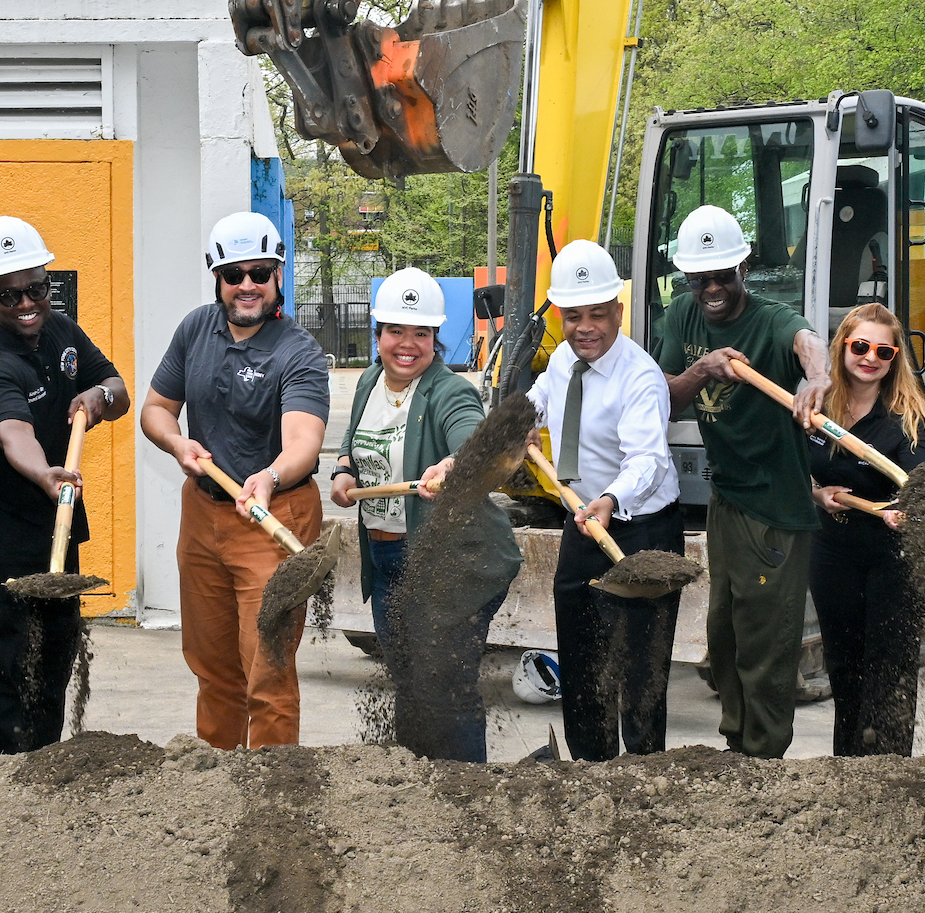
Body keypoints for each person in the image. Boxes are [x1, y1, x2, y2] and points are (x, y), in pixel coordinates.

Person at [141, 211, 330, 749]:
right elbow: (155, 409)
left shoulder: (298, 351)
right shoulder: (195, 329)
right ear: (216, 277)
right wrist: (176, 443)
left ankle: (271, 784)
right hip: (203, 515)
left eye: (260, 273)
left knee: (266, 669)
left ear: (278, 275)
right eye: (233, 274)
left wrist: (269, 476)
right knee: (212, 664)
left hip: (272, 515)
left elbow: (303, 441)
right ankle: (217, 775)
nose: (247, 285)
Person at [0, 215, 127, 754]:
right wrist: (45, 471)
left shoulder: (62, 330)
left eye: (36, 289)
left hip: (52, 520)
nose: (26, 303)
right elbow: (13, 432)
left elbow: (116, 387)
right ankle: (1, 772)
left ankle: (43, 763)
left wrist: (99, 397)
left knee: (53, 653)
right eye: (8, 294)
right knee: (5, 661)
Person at [653, 203, 828, 759]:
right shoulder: (682, 316)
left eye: (722, 276)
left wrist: (818, 377)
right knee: (725, 634)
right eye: (699, 279)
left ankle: (764, 755)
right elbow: (665, 400)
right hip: (726, 496)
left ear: (743, 269)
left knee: (766, 639)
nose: (711, 289)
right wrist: (703, 368)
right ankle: (737, 748)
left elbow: (807, 340)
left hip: (774, 506)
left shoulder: (771, 320)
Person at [328, 266, 520, 762]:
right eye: (396, 330)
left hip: (449, 565)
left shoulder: (448, 391)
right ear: (378, 334)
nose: (408, 344)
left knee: (445, 687)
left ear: (436, 338)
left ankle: (464, 788)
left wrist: (454, 464)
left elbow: (474, 439)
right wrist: (344, 470)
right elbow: (352, 439)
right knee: (410, 682)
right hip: (387, 561)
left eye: (421, 332)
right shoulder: (370, 380)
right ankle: (419, 783)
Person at [526, 240, 684, 761]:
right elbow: (542, 398)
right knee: (581, 657)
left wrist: (612, 499)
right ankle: (589, 769)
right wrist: (521, 420)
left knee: (640, 669)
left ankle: (643, 774)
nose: (585, 327)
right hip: (582, 522)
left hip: (641, 531)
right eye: (573, 316)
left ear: (618, 310)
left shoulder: (640, 377)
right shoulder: (563, 360)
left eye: (597, 314)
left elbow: (648, 460)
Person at [805, 303, 925, 756]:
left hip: (893, 556)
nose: (870, 358)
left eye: (883, 352)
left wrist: (903, 508)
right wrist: (816, 494)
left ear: (895, 358)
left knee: (890, 668)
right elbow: (791, 470)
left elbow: (921, 484)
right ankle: (848, 767)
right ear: (843, 346)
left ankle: (890, 770)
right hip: (831, 550)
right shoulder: (816, 407)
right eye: (860, 346)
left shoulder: (908, 418)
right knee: (843, 664)